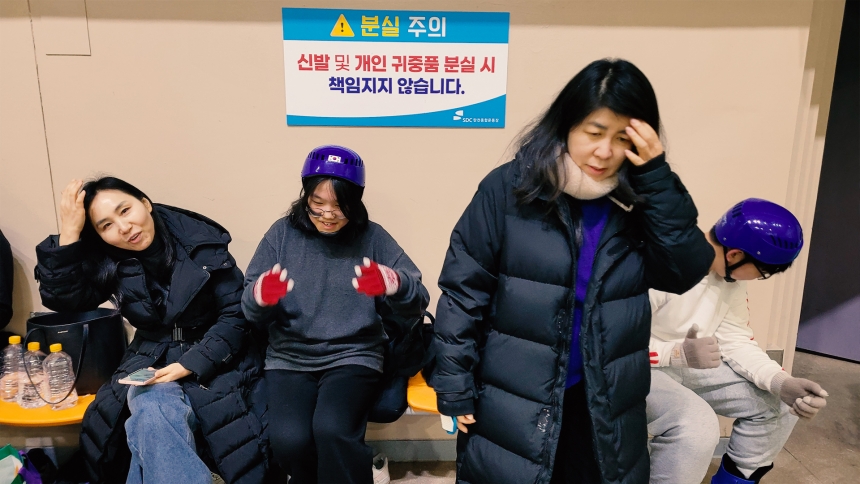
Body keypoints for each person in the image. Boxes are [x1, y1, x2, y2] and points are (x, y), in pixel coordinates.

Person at [427, 57, 715, 484]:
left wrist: (656, 177)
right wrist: (453, 383)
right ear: (566, 125)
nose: (604, 151)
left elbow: (683, 271)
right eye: (594, 133)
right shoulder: (509, 189)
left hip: (602, 400)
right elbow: (463, 291)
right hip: (514, 396)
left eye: (622, 137)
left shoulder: (641, 199)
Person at [34, 177, 269, 484]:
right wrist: (69, 232)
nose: (124, 227)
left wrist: (190, 364)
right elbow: (64, 301)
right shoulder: (110, 259)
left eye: (125, 210)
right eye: (106, 225)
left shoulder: (201, 243)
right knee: (149, 406)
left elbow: (235, 316)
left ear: (145, 203)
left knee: (149, 424)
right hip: (151, 354)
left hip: (218, 353)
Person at [241, 145, 429, 484]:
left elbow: (418, 299)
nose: (328, 214)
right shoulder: (281, 234)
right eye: (317, 203)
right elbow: (248, 306)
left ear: (355, 201)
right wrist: (260, 296)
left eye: (340, 205)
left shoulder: (374, 237)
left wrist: (394, 283)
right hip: (289, 356)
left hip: (355, 354)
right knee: (289, 441)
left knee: (333, 430)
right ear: (305, 196)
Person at [647, 198, 828, 484]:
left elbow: (736, 342)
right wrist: (676, 354)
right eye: (762, 272)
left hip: (684, 364)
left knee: (779, 405)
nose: (758, 279)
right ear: (734, 255)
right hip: (634, 369)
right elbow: (608, 344)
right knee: (696, 426)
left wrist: (781, 382)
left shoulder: (728, 281)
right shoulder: (659, 265)